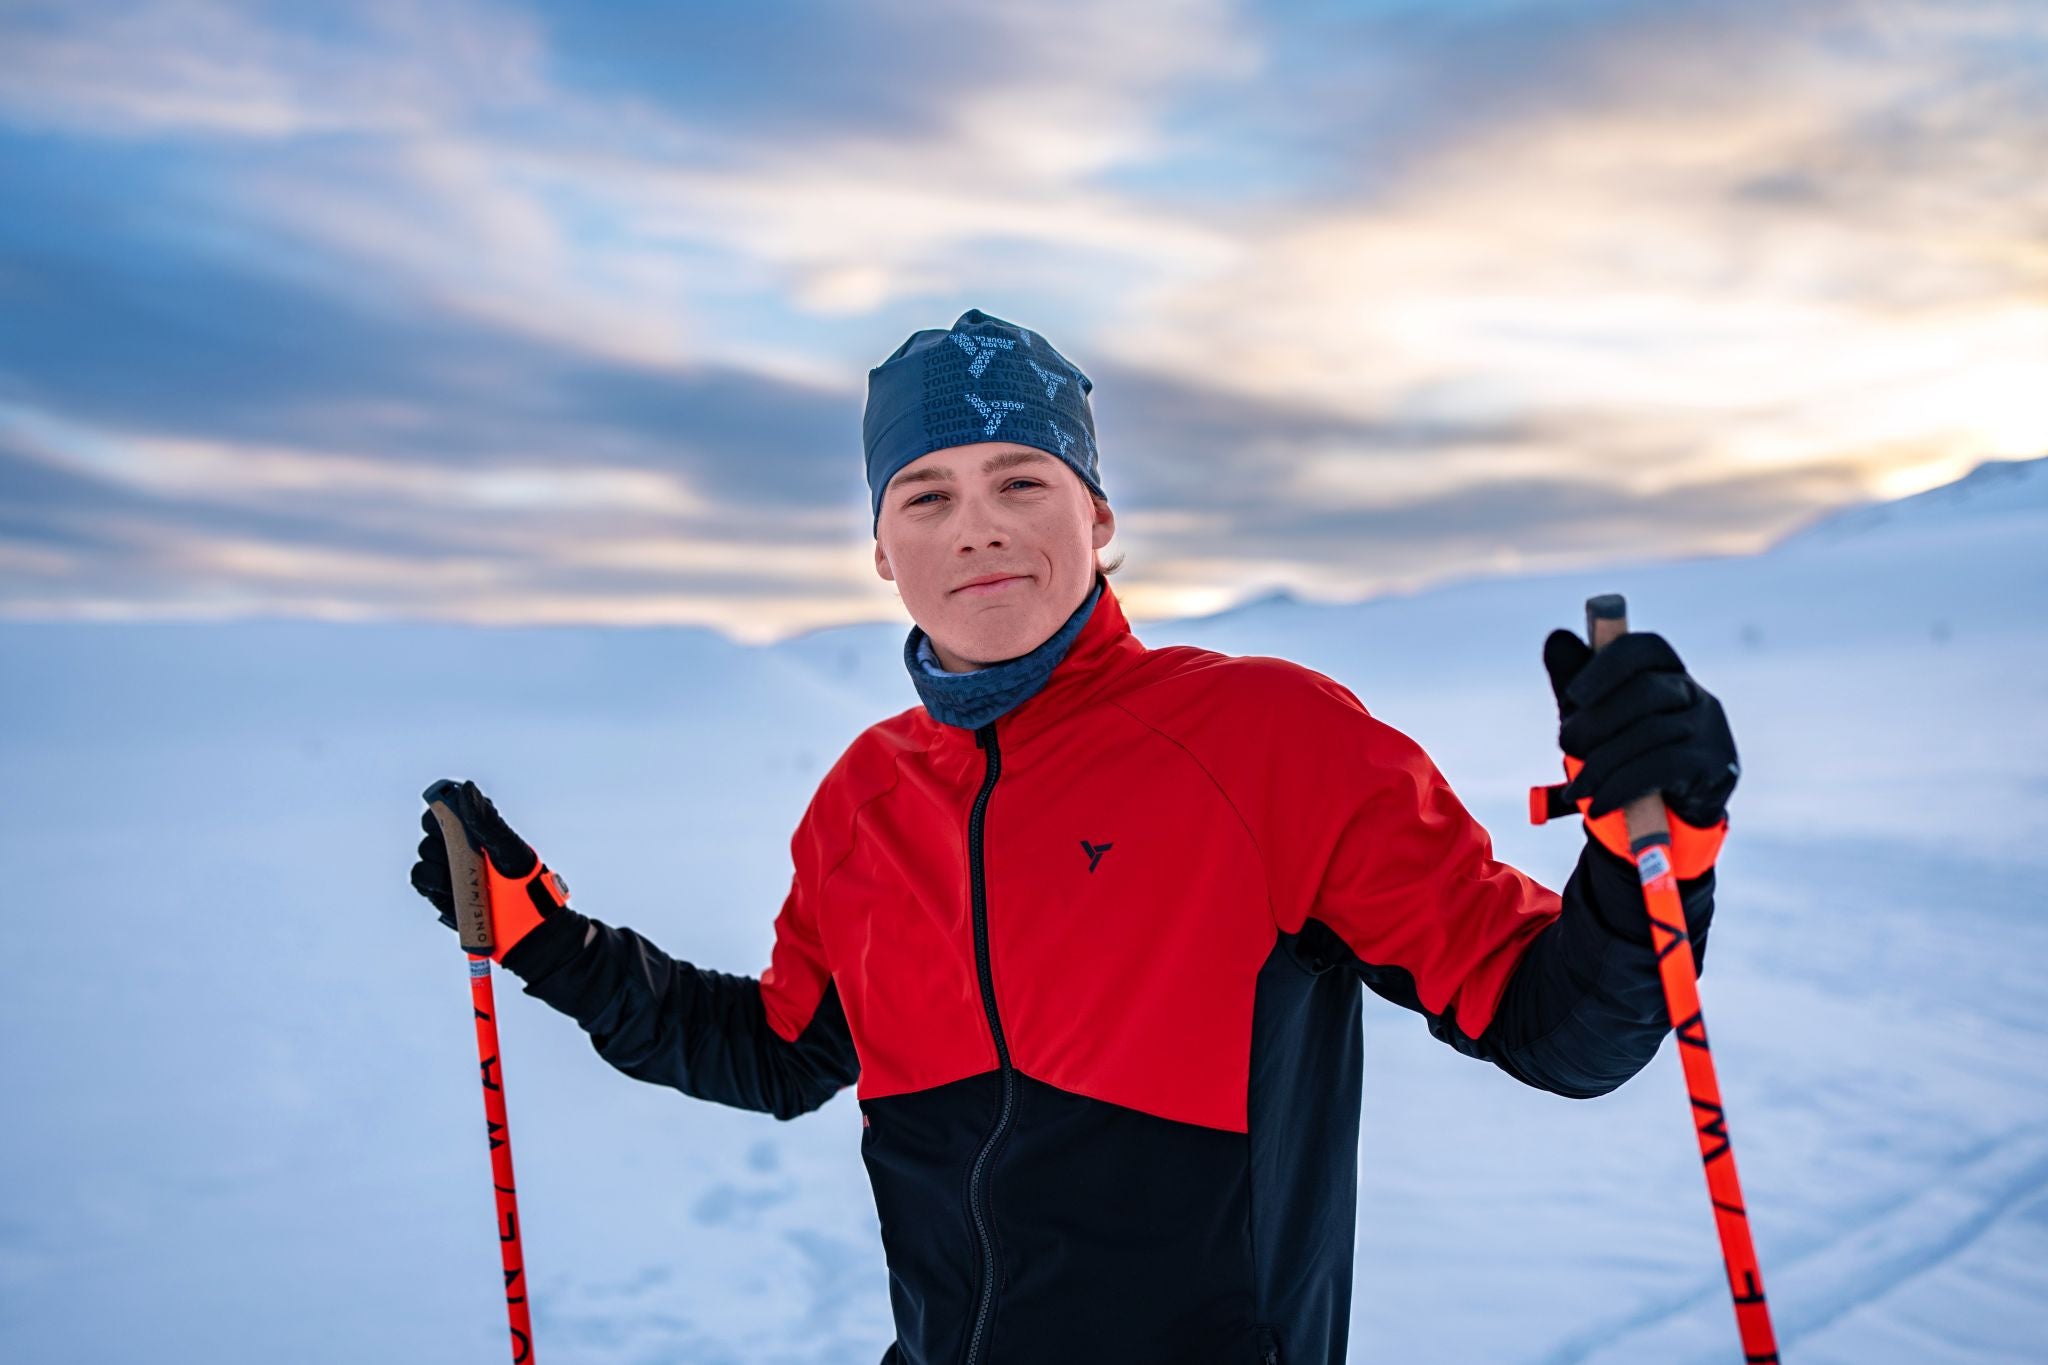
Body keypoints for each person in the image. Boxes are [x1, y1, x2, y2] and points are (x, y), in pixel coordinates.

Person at [410, 308, 1740, 1365]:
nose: (977, 524)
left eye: (1019, 479)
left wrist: (1651, 859)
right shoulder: (863, 806)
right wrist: (551, 944)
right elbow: (778, 1051)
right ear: (880, 548)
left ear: (1097, 517)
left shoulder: (1266, 740)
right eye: (925, 494)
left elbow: (1560, 1027)